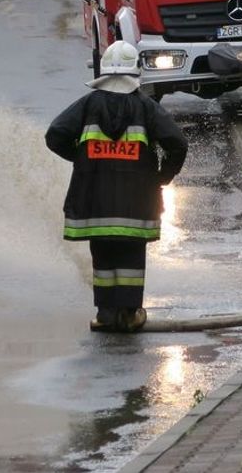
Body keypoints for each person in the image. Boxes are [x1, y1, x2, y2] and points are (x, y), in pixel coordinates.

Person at [45, 41, 188, 333]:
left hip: (95, 201)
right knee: (131, 258)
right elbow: (177, 144)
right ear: (135, 74)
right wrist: (161, 177)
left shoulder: (88, 105)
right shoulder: (145, 107)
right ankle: (130, 314)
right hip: (136, 202)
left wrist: (84, 161)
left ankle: (106, 314)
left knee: (103, 258)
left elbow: (55, 134)